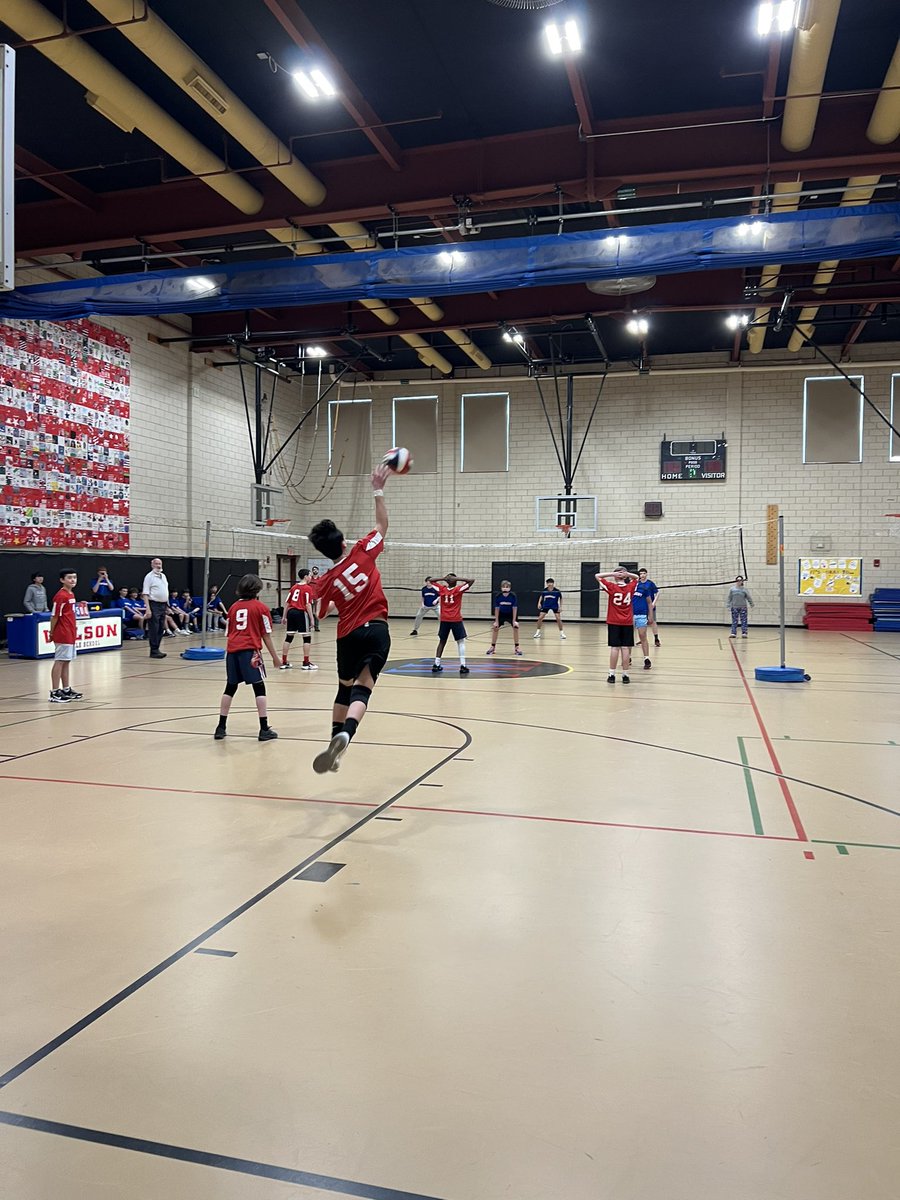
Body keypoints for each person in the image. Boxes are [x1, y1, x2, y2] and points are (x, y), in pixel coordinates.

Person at [305, 465, 393, 774]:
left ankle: (334, 741)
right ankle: (347, 733)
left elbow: (320, 611)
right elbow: (382, 525)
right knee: (363, 690)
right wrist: (378, 488)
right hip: (377, 630)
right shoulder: (362, 551)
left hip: (347, 635)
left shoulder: (326, 580)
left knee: (344, 689)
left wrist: (330, 605)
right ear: (343, 543)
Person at [214, 574, 280, 742]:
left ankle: (220, 727)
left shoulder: (233, 608)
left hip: (232, 651)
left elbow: (228, 633)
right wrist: (275, 657)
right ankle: (264, 728)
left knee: (230, 687)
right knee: (259, 688)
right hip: (250, 652)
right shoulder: (261, 608)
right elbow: (266, 635)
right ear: (257, 589)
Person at [596, 565, 639, 684]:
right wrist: (626, 574)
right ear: (625, 577)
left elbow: (597, 576)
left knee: (615, 648)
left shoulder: (611, 587)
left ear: (615, 578)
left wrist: (612, 574)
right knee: (625, 648)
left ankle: (612, 674)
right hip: (627, 622)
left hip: (614, 621)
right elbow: (637, 577)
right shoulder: (631, 586)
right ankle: (625, 675)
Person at [49, 568, 83, 703]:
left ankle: (66, 689)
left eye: (74, 577)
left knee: (66, 661)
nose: (73, 580)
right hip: (62, 633)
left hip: (70, 632)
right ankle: (54, 692)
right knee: (60, 660)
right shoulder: (61, 596)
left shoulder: (71, 594)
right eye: (69, 578)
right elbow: (55, 616)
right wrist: (52, 632)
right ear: (62, 580)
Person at [431, 572, 475, 675]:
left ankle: (436, 664)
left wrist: (444, 578)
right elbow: (471, 580)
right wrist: (456, 578)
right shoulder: (458, 589)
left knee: (442, 641)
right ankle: (463, 666)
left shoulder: (442, 590)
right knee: (460, 642)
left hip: (445, 619)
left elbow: (431, 580)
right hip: (456, 619)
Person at [281, 568, 317, 670]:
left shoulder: (293, 587)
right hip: (301, 612)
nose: (311, 577)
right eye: (310, 575)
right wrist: (312, 618)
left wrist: (284, 616)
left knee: (289, 637)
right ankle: (306, 663)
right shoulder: (307, 588)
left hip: (291, 613)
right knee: (307, 638)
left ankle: (284, 662)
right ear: (305, 576)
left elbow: (287, 603)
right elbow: (308, 604)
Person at [141, 556, 170, 659]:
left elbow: (165, 591)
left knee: (160, 628)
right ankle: (153, 650)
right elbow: (145, 593)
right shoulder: (149, 577)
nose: (158, 566)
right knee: (154, 627)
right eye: (156, 564)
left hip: (163, 605)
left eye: (160, 564)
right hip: (154, 604)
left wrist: (167, 605)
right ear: (152, 565)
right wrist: (148, 609)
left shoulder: (163, 576)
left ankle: (157, 648)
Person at [633, 568, 658, 670]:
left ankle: (646, 658)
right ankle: (628, 658)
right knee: (628, 638)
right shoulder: (627, 588)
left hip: (641, 615)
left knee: (643, 636)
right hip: (628, 616)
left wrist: (650, 615)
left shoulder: (644, 587)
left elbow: (649, 602)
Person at [487, 580, 521, 655]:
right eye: (503, 587)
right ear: (501, 588)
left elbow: (514, 608)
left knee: (516, 627)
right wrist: (496, 621)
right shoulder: (498, 596)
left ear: (510, 588)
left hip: (511, 614)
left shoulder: (513, 596)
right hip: (501, 614)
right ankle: (492, 647)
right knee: (495, 628)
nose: (505, 589)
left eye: (507, 587)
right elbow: (497, 608)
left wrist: (514, 620)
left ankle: (517, 647)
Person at [638, 568, 661, 647]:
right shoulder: (637, 584)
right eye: (641, 574)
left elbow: (658, 593)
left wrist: (654, 603)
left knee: (653, 622)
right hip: (641, 607)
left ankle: (656, 639)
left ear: (646, 574)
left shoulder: (650, 583)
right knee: (642, 623)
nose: (642, 575)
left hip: (650, 606)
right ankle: (642, 639)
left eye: (644, 573)